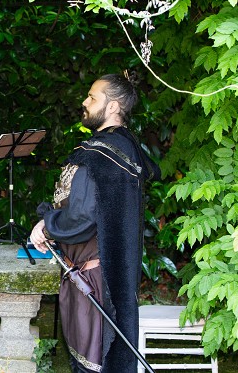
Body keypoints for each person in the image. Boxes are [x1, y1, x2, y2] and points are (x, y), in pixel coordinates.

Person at [30, 74, 160, 373]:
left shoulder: (101, 155)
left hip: (94, 280)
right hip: (101, 272)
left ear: (113, 106)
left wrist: (47, 226)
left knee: (92, 364)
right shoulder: (122, 147)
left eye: (92, 97)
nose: (84, 102)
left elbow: (83, 217)